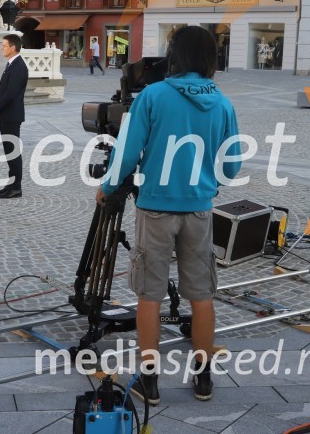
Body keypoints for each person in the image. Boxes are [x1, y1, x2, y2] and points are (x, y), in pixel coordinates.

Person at [95, 26, 241, 404]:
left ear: (175, 56)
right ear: (209, 59)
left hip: (156, 208)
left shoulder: (154, 96)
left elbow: (127, 153)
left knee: (150, 295)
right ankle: (203, 378)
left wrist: (108, 186)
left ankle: (150, 382)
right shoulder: (223, 104)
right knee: (202, 294)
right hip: (198, 208)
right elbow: (233, 165)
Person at [0, 34, 29, 199]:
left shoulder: (19, 66)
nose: (2, 48)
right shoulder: (12, 64)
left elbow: (11, 93)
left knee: (13, 151)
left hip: (12, 115)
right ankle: (11, 183)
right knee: (9, 151)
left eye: (4, 45)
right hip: (8, 114)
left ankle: (16, 187)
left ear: (13, 47)